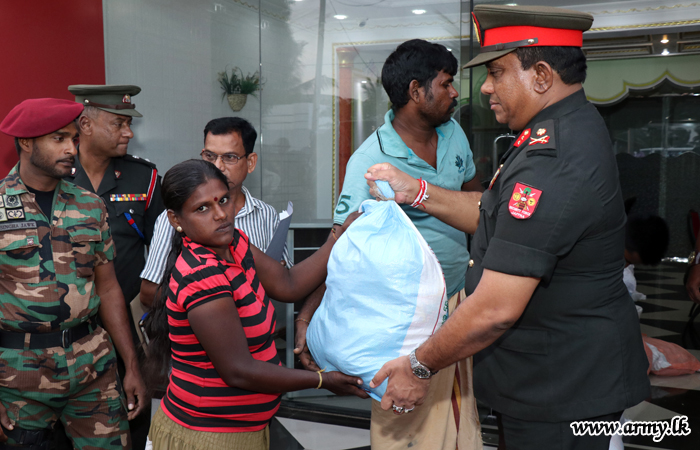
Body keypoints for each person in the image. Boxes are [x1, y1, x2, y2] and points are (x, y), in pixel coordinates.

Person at [365, 5, 651, 450]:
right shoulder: (554, 130)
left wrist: (418, 366)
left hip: (560, 390)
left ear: (540, 75)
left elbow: (495, 308)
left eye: (497, 72)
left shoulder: (552, 160)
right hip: (554, 379)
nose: (485, 88)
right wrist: (417, 191)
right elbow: (493, 211)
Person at [295, 39, 483, 450]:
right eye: (447, 83)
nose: (455, 93)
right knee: (405, 416)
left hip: (456, 300)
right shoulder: (371, 161)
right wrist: (307, 317)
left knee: (455, 412)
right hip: (403, 319)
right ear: (417, 91)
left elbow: (477, 205)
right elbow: (343, 249)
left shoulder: (454, 134)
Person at [143, 159, 367, 450]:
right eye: (203, 208)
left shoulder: (233, 242)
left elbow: (287, 283)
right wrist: (322, 381)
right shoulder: (201, 276)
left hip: (243, 429)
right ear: (175, 220)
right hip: (207, 436)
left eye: (223, 200)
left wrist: (339, 238)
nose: (222, 214)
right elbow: (238, 370)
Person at [0, 98, 146, 449]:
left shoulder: (89, 205)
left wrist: (131, 364)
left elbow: (109, 288)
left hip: (92, 367)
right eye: (59, 139)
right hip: (18, 373)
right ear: (26, 142)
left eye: (73, 139)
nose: (71, 148)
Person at [139, 117, 290, 308]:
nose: (217, 166)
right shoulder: (178, 218)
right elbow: (149, 292)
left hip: (259, 330)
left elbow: (286, 278)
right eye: (210, 156)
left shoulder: (267, 215)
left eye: (229, 157)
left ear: (250, 162)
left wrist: (273, 272)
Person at [66, 84, 165, 308]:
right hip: (73, 320)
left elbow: (164, 249)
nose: (129, 133)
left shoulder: (144, 178)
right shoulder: (58, 176)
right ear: (85, 124)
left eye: (129, 124)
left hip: (130, 312)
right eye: (118, 124)